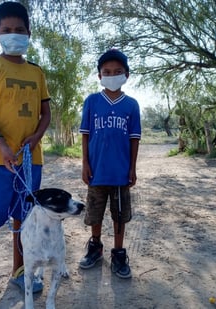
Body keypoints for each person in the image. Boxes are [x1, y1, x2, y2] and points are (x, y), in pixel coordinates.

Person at [0, 2, 51, 308]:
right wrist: (1, 143)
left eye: (19, 30)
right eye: (7, 30)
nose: (13, 35)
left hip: (32, 160)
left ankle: (20, 269)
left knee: (24, 216)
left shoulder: (37, 72)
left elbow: (46, 113)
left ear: (29, 33)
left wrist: (37, 137)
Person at [79, 49, 141, 279]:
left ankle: (118, 252)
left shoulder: (131, 105)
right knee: (95, 214)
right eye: (107, 72)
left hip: (120, 173)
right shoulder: (92, 102)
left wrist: (132, 167)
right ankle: (95, 247)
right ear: (99, 76)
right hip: (96, 172)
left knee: (120, 215)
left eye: (117, 72)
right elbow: (85, 134)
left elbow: (134, 138)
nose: (112, 75)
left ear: (126, 75)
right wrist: (84, 163)